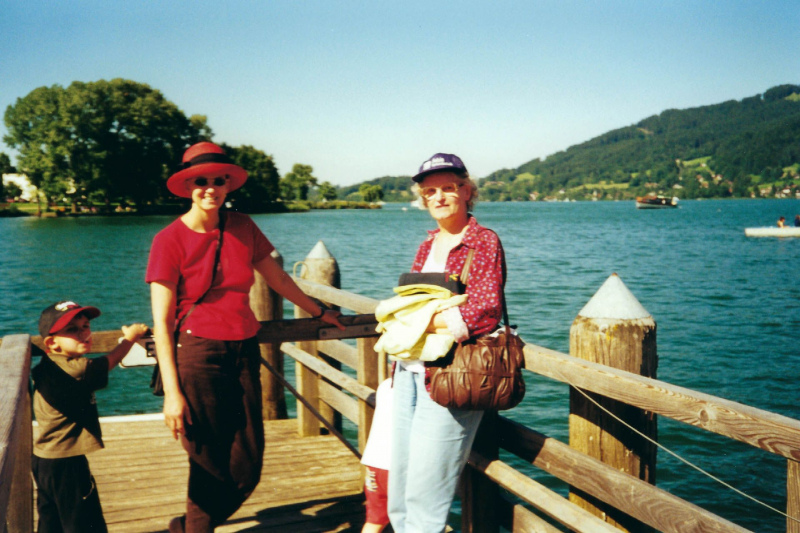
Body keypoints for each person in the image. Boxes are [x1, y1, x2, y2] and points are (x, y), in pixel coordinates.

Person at [146, 141, 343, 533]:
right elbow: (162, 322)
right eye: (200, 181)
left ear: (227, 185)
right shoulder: (168, 240)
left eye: (218, 181)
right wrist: (172, 393)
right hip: (196, 352)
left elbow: (279, 279)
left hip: (243, 349)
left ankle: (184, 527)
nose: (210, 188)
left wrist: (320, 312)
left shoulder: (243, 227)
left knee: (248, 463)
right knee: (207, 460)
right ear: (188, 186)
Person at [388, 153, 506, 532]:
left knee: (428, 491)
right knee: (402, 479)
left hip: (451, 375)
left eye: (448, 188)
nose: (438, 197)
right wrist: (415, 322)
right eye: (429, 191)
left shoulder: (483, 242)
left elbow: (485, 310)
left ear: (467, 191)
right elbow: (413, 300)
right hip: (408, 372)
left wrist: (417, 322)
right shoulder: (428, 244)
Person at [32, 301, 149, 533]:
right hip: (67, 460)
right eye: (72, 330)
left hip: (43, 458)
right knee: (84, 522)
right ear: (51, 343)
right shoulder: (77, 369)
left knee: (51, 519)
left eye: (85, 326)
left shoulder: (47, 365)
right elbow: (110, 361)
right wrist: (131, 337)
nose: (84, 333)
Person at [360, 379, 393, 533]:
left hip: (374, 462)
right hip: (397, 465)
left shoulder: (385, 385)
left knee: (375, 521)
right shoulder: (422, 387)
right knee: (410, 520)